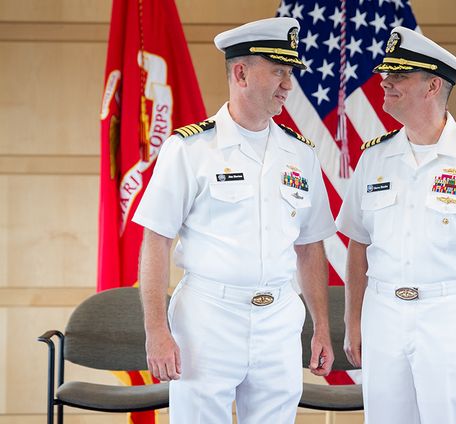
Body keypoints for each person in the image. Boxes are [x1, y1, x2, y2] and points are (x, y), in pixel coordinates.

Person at [132, 17, 336, 424]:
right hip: (208, 318)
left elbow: (311, 246)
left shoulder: (301, 154)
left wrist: (322, 326)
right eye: (278, 71)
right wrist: (157, 330)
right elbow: (156, 241)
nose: (288, 85)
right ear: (241, 73)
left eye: (289, 73)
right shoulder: (190, 148)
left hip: (279, 318)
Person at [335, 27, 456, 424]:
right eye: (386, 75)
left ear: (432, 86)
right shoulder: (374, 158)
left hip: (453, 316)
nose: (385, 83)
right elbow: (358, 244)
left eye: (399, 77)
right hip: (384, 313)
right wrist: (353, 321)